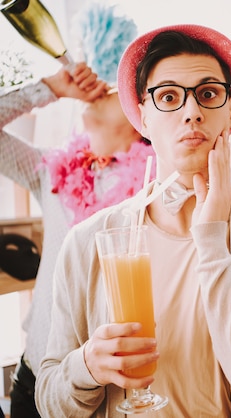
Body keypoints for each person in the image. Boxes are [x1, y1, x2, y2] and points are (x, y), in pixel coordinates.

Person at [35, 24, 231, 417]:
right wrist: (87, 366)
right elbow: (49, 404)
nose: (192, 112)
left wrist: (212, 241)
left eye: (208, 94)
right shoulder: (90, 241)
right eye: (168, 97)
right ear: (142, 119)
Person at [2, 3, 155, 416]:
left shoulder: (154, 188)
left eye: (114, 88)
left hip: (106, 388)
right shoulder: (51, 172)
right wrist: (49, 88)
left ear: (138, 116)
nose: (101, 87)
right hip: (34, 375)